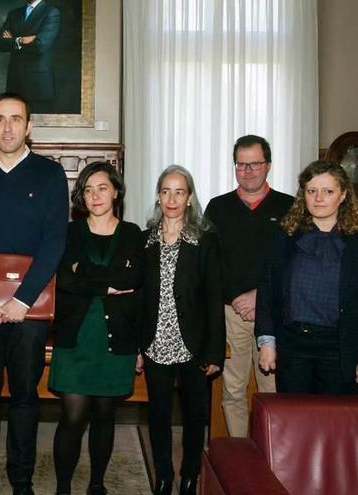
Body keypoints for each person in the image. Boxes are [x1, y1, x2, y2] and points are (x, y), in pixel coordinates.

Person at [0, 92, 67, 495]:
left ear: (29, 126)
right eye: (0, 119)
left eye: (15, 119)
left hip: (30, 308)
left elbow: (55, 241)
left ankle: (21, 477)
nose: (7, 126)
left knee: (25, 396)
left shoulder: (49, 174)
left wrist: (23, 299)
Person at [48, 162, 144, 495]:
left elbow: (132, 280)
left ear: (116, 191)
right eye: (88, 190)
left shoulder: (133, 234)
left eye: (102, 188)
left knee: (105, 415)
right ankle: (62, 487)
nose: (95, 196)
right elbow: (66, 280)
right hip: (75, 337)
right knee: (72, 417)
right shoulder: (70, 233)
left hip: (117, 337)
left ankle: (97, 484)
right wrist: (106, 286)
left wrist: (86, 273)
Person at [256, 160, 358, 394]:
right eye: (311, 191)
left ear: (343, 195)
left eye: (328, 191)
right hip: (293, 345)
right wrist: (267, 341)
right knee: (295, 422)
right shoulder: (285, 233)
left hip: (342, 346)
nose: (318, 198)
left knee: (335, 423)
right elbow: (267, 288)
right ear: (303, 195)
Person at [140, 165, 224, 495]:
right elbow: (139, 298)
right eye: (166, 191)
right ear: (158, 197)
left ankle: (190, 476)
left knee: (194, 415)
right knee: (158, 415)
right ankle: (163, 476)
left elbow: (214, 298)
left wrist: (214, 351)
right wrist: (138, 347)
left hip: (194, 343)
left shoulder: (205, 241)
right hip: (155, 341)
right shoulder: (145, 240)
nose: (172, 199)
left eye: (179, 192)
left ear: (189, 198)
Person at [203, 135, 293, 437]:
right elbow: (209, 264)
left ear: (267, 166)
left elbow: (294, 265)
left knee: (271, 389)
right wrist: (233, 299)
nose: (248, 170)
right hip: (231, 314)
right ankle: (241, 455)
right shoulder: (218, 208)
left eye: (254, 164)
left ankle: (272, 456)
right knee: (232, 389)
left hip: (275, 313)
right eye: (241, 164)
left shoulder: (289, 207)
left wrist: (261, 296)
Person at [0, 1, 61, 114]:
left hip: (38, 85)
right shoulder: (14, 13)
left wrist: (13, 40)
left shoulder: (51, 12)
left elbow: (40, 45)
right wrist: (21, 40)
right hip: (15, 82)